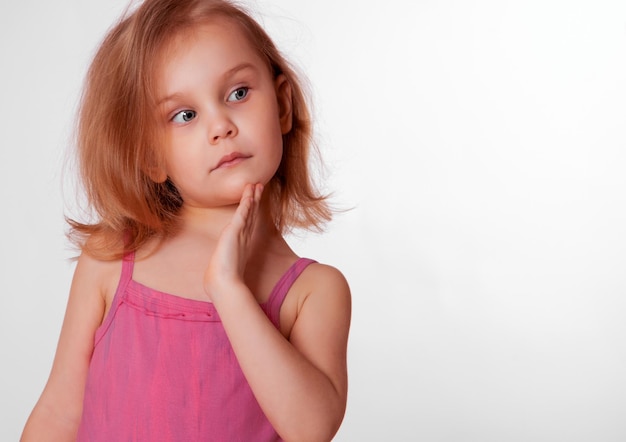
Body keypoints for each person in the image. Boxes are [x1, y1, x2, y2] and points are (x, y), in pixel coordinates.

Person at [21, 0, 351, 440]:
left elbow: (311, 429)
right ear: (150, 157)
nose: (220, 126)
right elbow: (59, 413)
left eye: (238, 92)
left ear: (283, 105)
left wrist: (228, 289)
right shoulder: (111, 259)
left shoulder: (314, 292)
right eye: (185, 115)